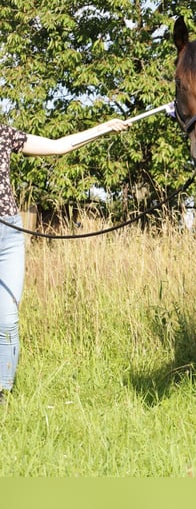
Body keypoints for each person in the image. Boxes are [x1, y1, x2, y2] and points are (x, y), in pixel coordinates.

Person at [0, 117, 129, 404]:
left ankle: (3, 394)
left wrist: (105, 127)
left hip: (9, 233)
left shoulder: (4, 135)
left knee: (7, 319)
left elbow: (59, 147)